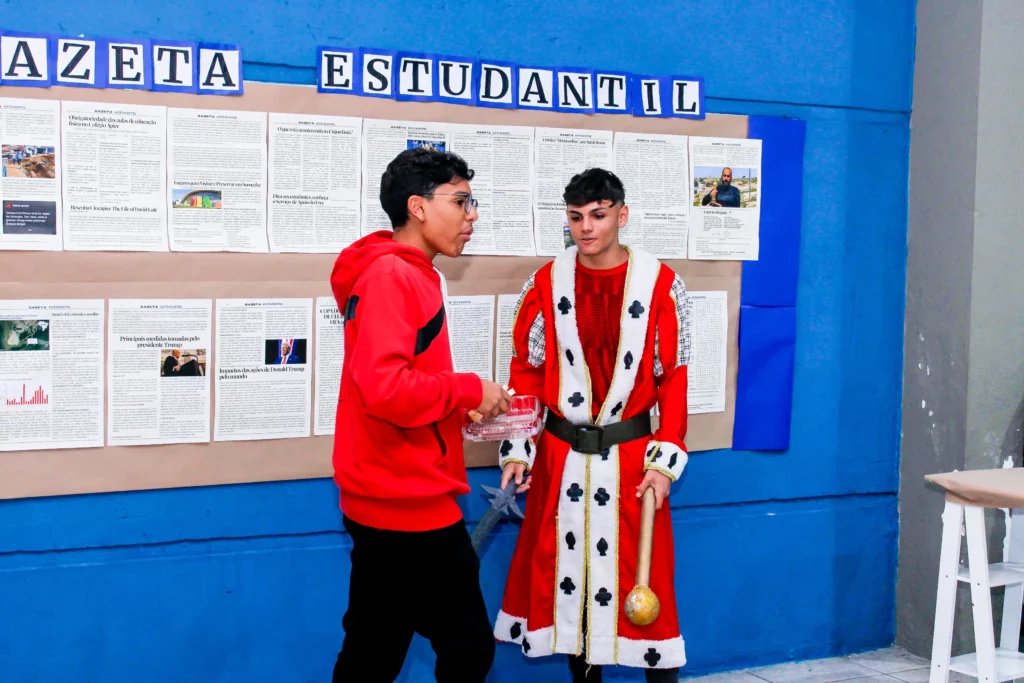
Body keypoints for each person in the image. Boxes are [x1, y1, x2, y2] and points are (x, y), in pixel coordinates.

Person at [493, 168, 692, 682]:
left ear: (622, 216)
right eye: (576, 216)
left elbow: (672, 380)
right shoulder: (545, 283)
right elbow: (527, 371)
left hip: (634, 462)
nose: (586, 227)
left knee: (644, 586)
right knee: (571, 588)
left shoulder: (661, 284)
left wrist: (665, 461)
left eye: (598, 215)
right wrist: (519, 447)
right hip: (561, 458)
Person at [329, 147, 510, 683]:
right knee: (465, 648)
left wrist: (460, 406)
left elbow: (399, 381)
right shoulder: (392, 275)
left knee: (374, 649)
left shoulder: (404, 272)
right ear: (418, 206)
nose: (472, 215)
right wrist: (467, 388)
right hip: (405, 501)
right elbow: (385, 389)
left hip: (394, 491)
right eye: (461, 201)